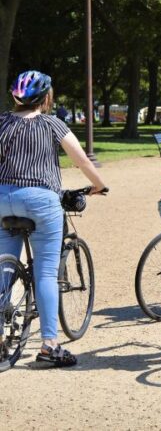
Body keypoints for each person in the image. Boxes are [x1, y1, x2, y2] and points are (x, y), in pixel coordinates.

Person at [0, 70, 107, 367]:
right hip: (39, 199)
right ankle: (50, 345)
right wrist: (99, 184)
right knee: (45, 274)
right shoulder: (52, 123)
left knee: (3, 268)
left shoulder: (2, 122)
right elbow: (81, 159)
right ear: (46, 98)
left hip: (2, 198)